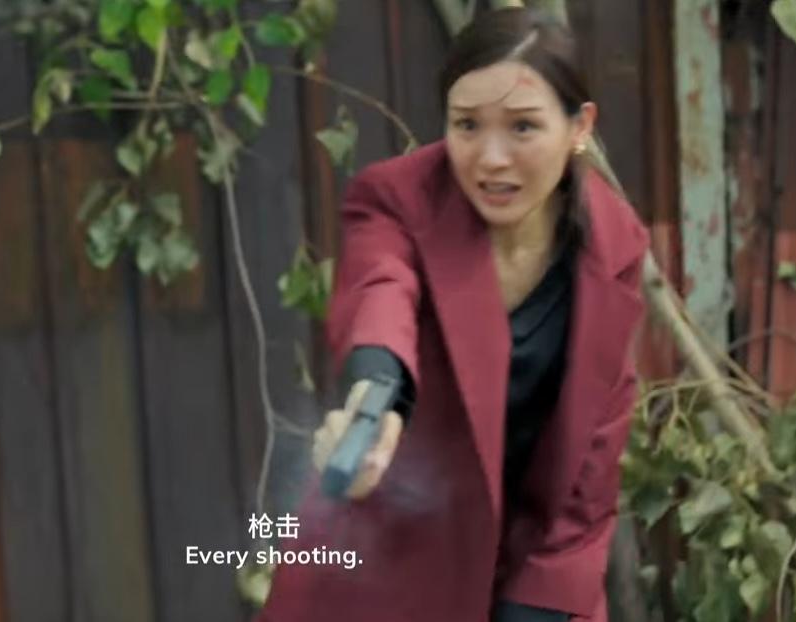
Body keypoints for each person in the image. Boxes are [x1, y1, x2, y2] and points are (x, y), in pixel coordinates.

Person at [256, 7, 650, 622]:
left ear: (580, 127)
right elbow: (381, 289)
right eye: (467, 125)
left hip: (540, 573)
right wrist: (377, 393)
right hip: (388, 570)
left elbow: (589, 472)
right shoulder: (396, 197)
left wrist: (538, 604)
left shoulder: (615, 246)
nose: (490, 158)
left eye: (523, 127)